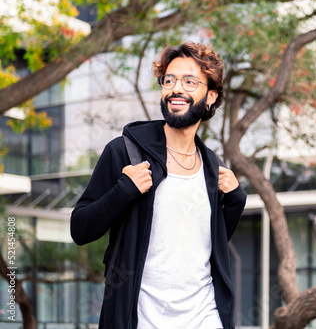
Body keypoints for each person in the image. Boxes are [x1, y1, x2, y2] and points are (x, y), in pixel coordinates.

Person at [71, 42, 247, 329]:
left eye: (190, 81)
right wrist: (124, 190)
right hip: (141, 319)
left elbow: (207, 246)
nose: (177, 89)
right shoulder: (125, 153)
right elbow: (80, 229)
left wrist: (236, 202)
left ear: (211, 96)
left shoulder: (213, 169)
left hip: (205, 317)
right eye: (170, 80)